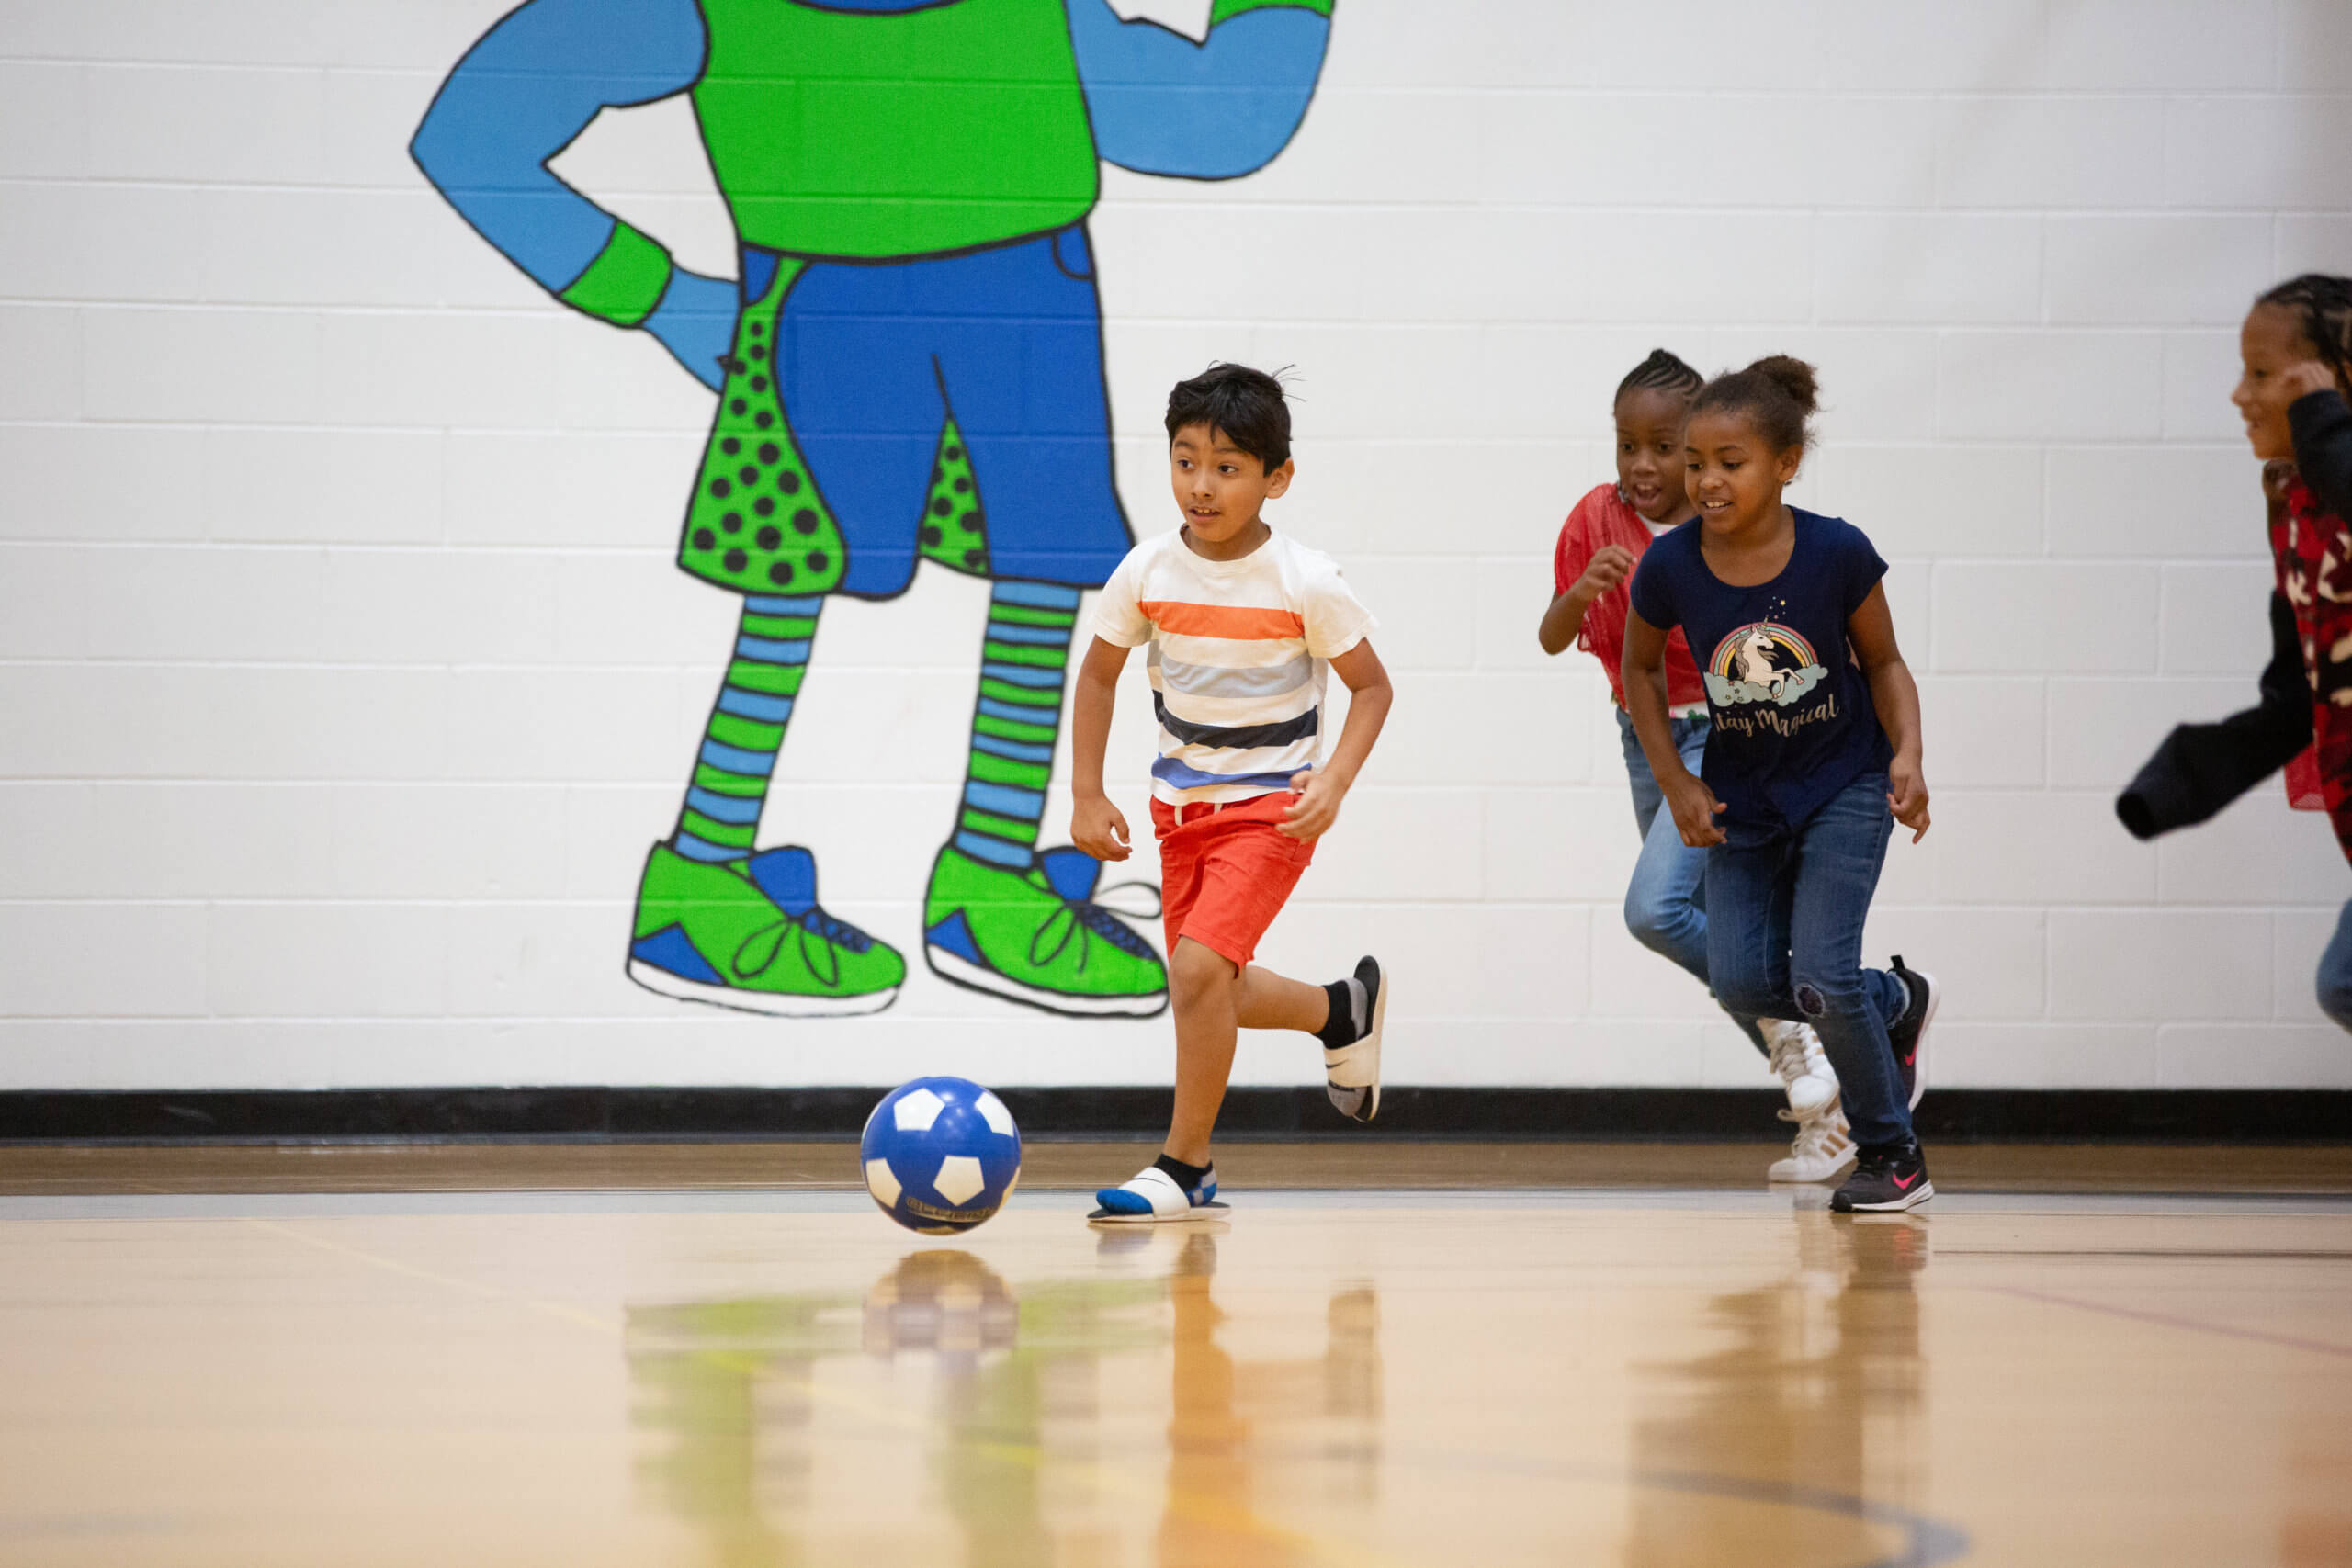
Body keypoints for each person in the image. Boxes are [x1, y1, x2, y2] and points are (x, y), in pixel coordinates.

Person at [1071, 364, 1395, 1222]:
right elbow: (1098, 676)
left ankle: (1183, 1164)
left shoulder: (1306, 581)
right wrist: (1086, 792)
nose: (1201, 486)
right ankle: (1339, 1009)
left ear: (1275, 478)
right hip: (1180, 814)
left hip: (1271, 810)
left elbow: (1373, 688)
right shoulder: (1146, 569)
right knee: (1204, 984)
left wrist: (1333, 781)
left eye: (1227, 467)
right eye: (1185, 462)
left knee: (1197, 969)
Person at [1622, 356, 1941, 1213]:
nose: (1707, 480)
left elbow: (1885, 662)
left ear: (1785, 464)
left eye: (1732, 462)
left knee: (1822, 979)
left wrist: (1907, 753)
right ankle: (1896, 999)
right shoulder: (1671, 566)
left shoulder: (1836, 551)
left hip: (1844, 783)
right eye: (1697, 463)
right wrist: (1673, 782)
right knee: (1742, 980)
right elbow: (1640, 669)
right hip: (1743, 799)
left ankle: (1893, 1153)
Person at [1538, 349, 1848, 1182]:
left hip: (1722, 740)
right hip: (1645, 742)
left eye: (1664, 445)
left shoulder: (1724, 528)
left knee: (1656, 912)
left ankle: (1810, 1025)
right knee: (1730, 945)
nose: (1642, 464)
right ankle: (1831, 1118)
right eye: (1625, 443)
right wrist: (1580, 593)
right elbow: (1552, 633)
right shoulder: (1594, 520)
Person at [2120, 274, 2352, 1028]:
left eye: (2261, 373)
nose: (2238, 395)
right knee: (2343, 983)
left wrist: (2323, 421)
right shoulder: (2293, 503)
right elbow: (2298, 688)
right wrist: (2192, 772)